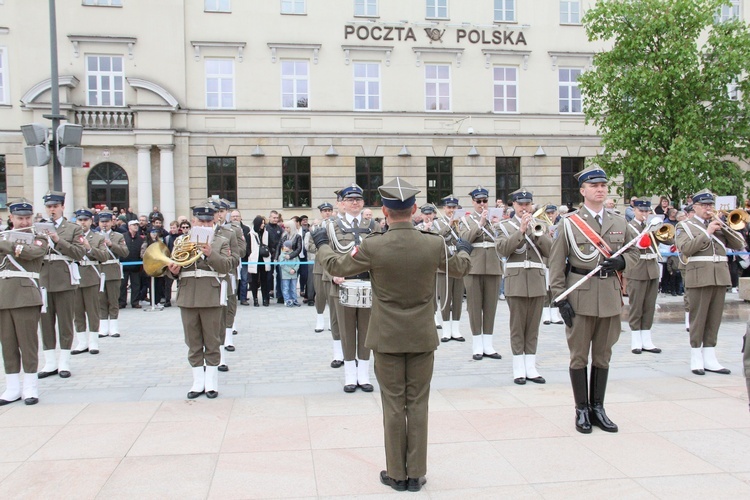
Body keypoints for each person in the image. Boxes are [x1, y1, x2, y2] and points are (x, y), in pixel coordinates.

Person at [314, 178, 471, 492]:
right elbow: (460, 268)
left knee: (393, 406)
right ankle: (417, 473)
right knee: (418, 404)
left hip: (386, 336)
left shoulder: (374, 244)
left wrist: (321, 243)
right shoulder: (432, 242)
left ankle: (397, 474)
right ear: (414, 209)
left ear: (384, 211)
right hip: (422, 335)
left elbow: (337, 265)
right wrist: (464, 248)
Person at [549, 166, 639, 434]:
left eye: (603, 185)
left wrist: (623, 261)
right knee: (579, 356)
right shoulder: (569, 223)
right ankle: (581, 409)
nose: (600, 189)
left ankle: (598, 407)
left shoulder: (619, 221)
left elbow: (636, 251)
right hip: (580, 294)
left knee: (603, 355)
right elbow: (556, 264)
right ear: (582, 190)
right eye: (594, 185)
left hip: (610, 297)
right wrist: (559, 298)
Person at [675, 189, 745, 375]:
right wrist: (707, 232)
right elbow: (686, 249)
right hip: (699, 277)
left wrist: (725, 228)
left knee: (714, 318)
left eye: (710, 205)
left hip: (720, 276)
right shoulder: (685, 226)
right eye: (704, 205)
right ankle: (696, 356)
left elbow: (739, 244)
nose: (708, 208)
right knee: (698, 318)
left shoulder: (719, 224)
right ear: (695, 207)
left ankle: (710, 355)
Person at [166, 204, 232, 399]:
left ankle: (211, 382)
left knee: (212, 340)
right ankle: (197, 381)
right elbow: (172, 268)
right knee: (193, 341)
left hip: (211, 295)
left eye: (208, 221)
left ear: (214, 222)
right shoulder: (181, 241)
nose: (204, 224)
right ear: (193, 221)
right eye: (200, 221)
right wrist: (172, 271)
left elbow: (226, 266)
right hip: (187, 295)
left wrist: (211, 253)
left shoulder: (220, 241)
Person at [496, 189, 553, 385]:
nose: (524, 207)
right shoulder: (504, 226)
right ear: (513, 205)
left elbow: (550, 250)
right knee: (518, 326)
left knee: (533, 326)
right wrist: (520, 231)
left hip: (536, 280)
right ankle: (518, 367)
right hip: (516, 280)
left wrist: (534, 231)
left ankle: (531, 366)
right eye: (520, 204)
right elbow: (503, 250)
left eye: (527, 204)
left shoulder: (541, 225)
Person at [327, 183, 378, 392]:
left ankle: (364, 375)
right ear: (343, 204)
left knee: (366, 331)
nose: (354, 203)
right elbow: (326, 255)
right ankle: (349, 375)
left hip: (366, 284)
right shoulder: (333, 226)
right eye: (350, 200)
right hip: (344, 284)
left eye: (358, 199)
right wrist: (333, 274)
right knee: (347, 331)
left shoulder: (373, 226)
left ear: (363, 203)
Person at [0, 199, 48, 405]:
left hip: (26, 295)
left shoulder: (39, 238)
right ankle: (12, 387)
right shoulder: (3, 237)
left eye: (27, 218)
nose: (23, 222)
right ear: (11, 218)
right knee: (8, 344)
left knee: (27, 343)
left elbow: (33, 253)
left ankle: (30, 386)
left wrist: (6, 244)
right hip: (3, 295)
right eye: (19, 218)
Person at [38, 191, 87, 380]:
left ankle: (64, 361)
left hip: (64, 279)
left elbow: (79, 252)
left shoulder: (73, 229)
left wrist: (58, 240)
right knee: (46, 322)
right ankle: (50, 361)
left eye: (55, 206)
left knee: (65, 322)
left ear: (62, 207)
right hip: (44, 279)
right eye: (49, 206)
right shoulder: (39, 228)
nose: (52, 210)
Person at [458, 186, 504, 361]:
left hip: (493, 265)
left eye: (485, 201)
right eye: (479, 201)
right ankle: (477, 344)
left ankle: (489, 344)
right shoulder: (466, 220)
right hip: (474, 266)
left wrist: (495, 225)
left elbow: (502, 240)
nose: (482, 204)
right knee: (475, 307)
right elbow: (465, 239)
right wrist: (480, 224)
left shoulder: (496, 219)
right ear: (473, 202)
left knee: (491, 307)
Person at [624, 198, 662, 355]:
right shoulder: (629, 227)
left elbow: (667, 239)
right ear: (634, 211)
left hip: (652, 269)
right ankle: (635, 340)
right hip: (637, 269)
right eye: (641, 211)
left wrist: (658, 230)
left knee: (649, 306)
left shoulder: (652, 226)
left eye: (647, 211)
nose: (644, 214)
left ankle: (647, 339)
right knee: (636, 305)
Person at [308, 202, 343, 367]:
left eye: (329, 210)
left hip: (334, 266)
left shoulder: (336, 225)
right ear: (321, 213)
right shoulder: (316, 227)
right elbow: (309, 246)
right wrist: (321, 248)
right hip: (320, 266)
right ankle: (320, 318)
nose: (327, 213)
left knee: (333, 297)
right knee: (320, 294)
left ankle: (331, 323)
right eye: (324, 211)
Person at [71, 208, 108, 356]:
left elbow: (104, 256)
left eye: (85, 220)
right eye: (80, 220)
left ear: (91, 221)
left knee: (92, 311)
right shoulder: (72, 236)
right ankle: (81, 341)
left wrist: (89, 248)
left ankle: (93, 341)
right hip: (75, 276)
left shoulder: (97, 238)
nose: (82, 223)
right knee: (77, 312)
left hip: (91, 277)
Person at [432, 195, 465, 342]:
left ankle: (456, 328)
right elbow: (435, 238)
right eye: (449, 207)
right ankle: (446, 329)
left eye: (454, 207)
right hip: (444, 261)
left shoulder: (463, 222)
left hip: (457, 261)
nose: (451, 210)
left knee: (457, 296)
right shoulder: (438, 223)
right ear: (444, 208)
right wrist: (449, 226)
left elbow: (466, 238)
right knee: (445, 296)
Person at [97, 210, 130, 338]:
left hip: (112, 269)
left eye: (107, 222)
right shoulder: (95, 236)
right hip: (99, 270)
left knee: (113, 299)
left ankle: (114, 326)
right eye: (102, 222)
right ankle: (103, 325)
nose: (104, 224)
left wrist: (111, 244)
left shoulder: (118, 236)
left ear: (112, 222)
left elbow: (125, 252)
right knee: (101, 300)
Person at [119, 220, 145, 309]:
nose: (136, 226)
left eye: (137, 225)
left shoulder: (140, 239)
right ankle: (122, 302)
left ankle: (135, 302)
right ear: (129, 226)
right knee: (122, 285)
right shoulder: (122, 237)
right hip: (124, 265)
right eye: (134, 225)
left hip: (136, 266)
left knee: (136, 285)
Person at [249, 216, 271, 307]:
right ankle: (255, 299)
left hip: (264, 259)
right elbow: (248, 247)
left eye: (263, 223)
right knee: (254, 281)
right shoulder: (250, 234)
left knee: (264, 280)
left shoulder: (266, 233)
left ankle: (265, 298)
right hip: (254, 259)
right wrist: (251, 254)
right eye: (261, 223)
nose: (263, 225)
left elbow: (270, 244)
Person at [266, 210, 284, 303]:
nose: (275, 219)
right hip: (268, 255)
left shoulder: (280, 229)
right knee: (268, 276)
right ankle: (269, 293)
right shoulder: (265, 228)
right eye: (274, 217)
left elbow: (281, 242)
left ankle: (280, 295)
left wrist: (277, 254)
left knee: (280, 275)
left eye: (277, 218)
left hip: (278, 255)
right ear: (269, 217)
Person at [279, 240, 301, 306]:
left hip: (294, 274)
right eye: (284, 246)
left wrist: (294, 270)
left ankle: (294, 300)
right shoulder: (282, 255)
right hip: (285, 275)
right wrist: (289, 270)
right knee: (286, 288)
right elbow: (282, 264)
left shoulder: (294, 254)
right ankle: (287, 300)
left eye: (286, 246)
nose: (285, 247)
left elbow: (298, 262)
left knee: (293, 288)